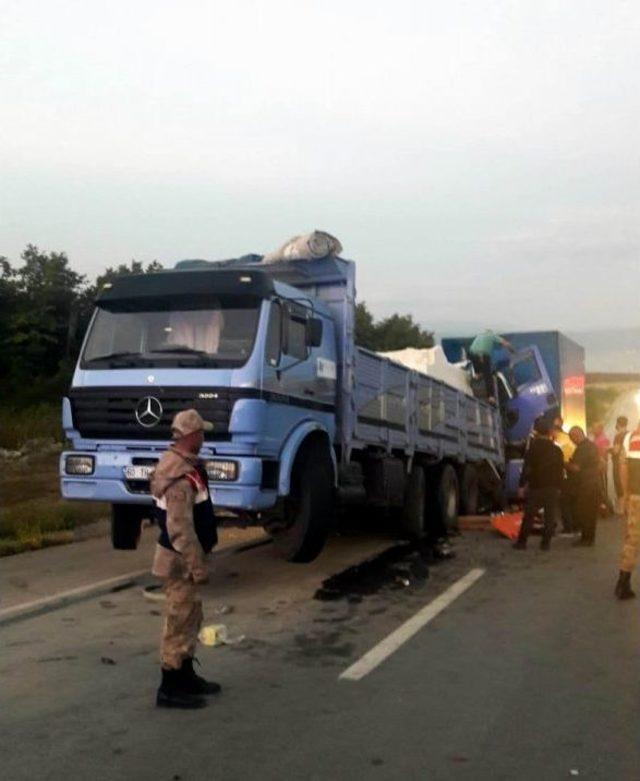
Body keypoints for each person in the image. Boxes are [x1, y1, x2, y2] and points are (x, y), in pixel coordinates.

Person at [150, 408, 220, 709]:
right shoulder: (178, 476)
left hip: (186, 560)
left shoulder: (186, 466)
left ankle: (187, 676)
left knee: (191, 616)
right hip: (180, 563)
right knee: (178, 621)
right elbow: (180, 530)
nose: (204, 437)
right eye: (201, 432)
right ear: (192, 435)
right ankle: (170, 687)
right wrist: (196, 565)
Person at [513, 417, 564, 551]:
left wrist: (521, 485)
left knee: (529, 515)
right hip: (552, 487)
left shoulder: (533, 449)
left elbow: (527, 468)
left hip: (537, 486)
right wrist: (560, 487)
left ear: (536, 432)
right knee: (549, 516)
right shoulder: (557, 450)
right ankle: (545, 544)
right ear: (549, 433)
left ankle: (522, 542)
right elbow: (560, 470)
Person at [614, 422, 640, 599]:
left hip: (636, 497)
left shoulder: (630, 438)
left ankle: (623, 583)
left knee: (631, 540)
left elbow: (622, 468)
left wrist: (625, 493)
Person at [566, 426, 601, 546]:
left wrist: (564, 464)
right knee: (590, 513)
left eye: (572, 438)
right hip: (594, 483)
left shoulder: (582, 448)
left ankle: (586, 539)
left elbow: (576, 468)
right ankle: (589, 538)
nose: (572, 441)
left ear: (577, 435)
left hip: (584, 485)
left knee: (584, 512)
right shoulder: (592, 445)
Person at [468, 330, 515, 400]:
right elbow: (505, 343)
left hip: (471, 353)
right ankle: (491, 397)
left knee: (477, 364)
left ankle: (477, 375)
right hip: (483, 354)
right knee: (488, 376)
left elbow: (473, 348)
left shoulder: (479, 335)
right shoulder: (492, 335)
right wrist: (512, 350)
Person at [551, 416, 576, 534]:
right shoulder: (568, 438)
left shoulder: (558, 442)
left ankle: (568, 527)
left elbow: (560, 461)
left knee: (564, 502)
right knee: (571, 502)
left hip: (565, 475)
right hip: (574, 475)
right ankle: (575, 526)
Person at [611, 416, 629, 516]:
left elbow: (616, 450)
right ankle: (627, 507)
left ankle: (622, 509)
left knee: (619, 485)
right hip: (628, 463)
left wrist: (609, 449)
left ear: (618, 424)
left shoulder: (618, 436)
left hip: (618, 464)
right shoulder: (629, 434)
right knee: (627, 485)